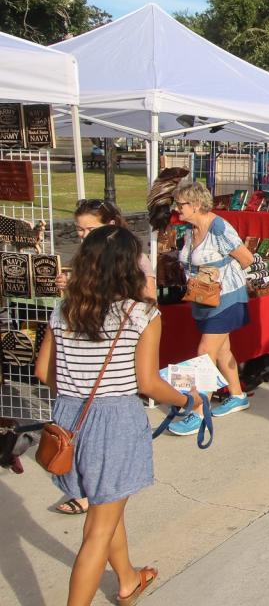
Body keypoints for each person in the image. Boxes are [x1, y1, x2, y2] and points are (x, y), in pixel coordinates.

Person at [35, 225, 200, 606]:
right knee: (97, 528)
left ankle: (127, 580)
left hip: (69, 419)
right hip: (114, 424)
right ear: (129, 267)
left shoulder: (64, 310)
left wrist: (78, 385)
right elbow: (148, 382)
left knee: (107, 506)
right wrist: (186, 400)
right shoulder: (141, 314)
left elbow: (44, 373)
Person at [52, 200, 157, 517]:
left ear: (111, 225)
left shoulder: (133, 268)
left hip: (83, 401)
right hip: (104, 403)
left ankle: (124, 569)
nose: (83, 235)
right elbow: (150, 382)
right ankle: (120, 567)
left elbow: (147, 301)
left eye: (90, 229)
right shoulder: (78, 292)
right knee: (104, 517)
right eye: (80, 229)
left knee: (105, 514)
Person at [170, 182, 254, 435]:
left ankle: (197, 411)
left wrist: (218, 271)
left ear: (196, 205)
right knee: (222, 350)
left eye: (181, 204)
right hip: (202, 299)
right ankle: (238, 395)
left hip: (226, 297)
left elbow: (246, 258)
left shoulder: (218, 227)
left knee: (204, 352)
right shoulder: (189, 229)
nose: (177, 208)